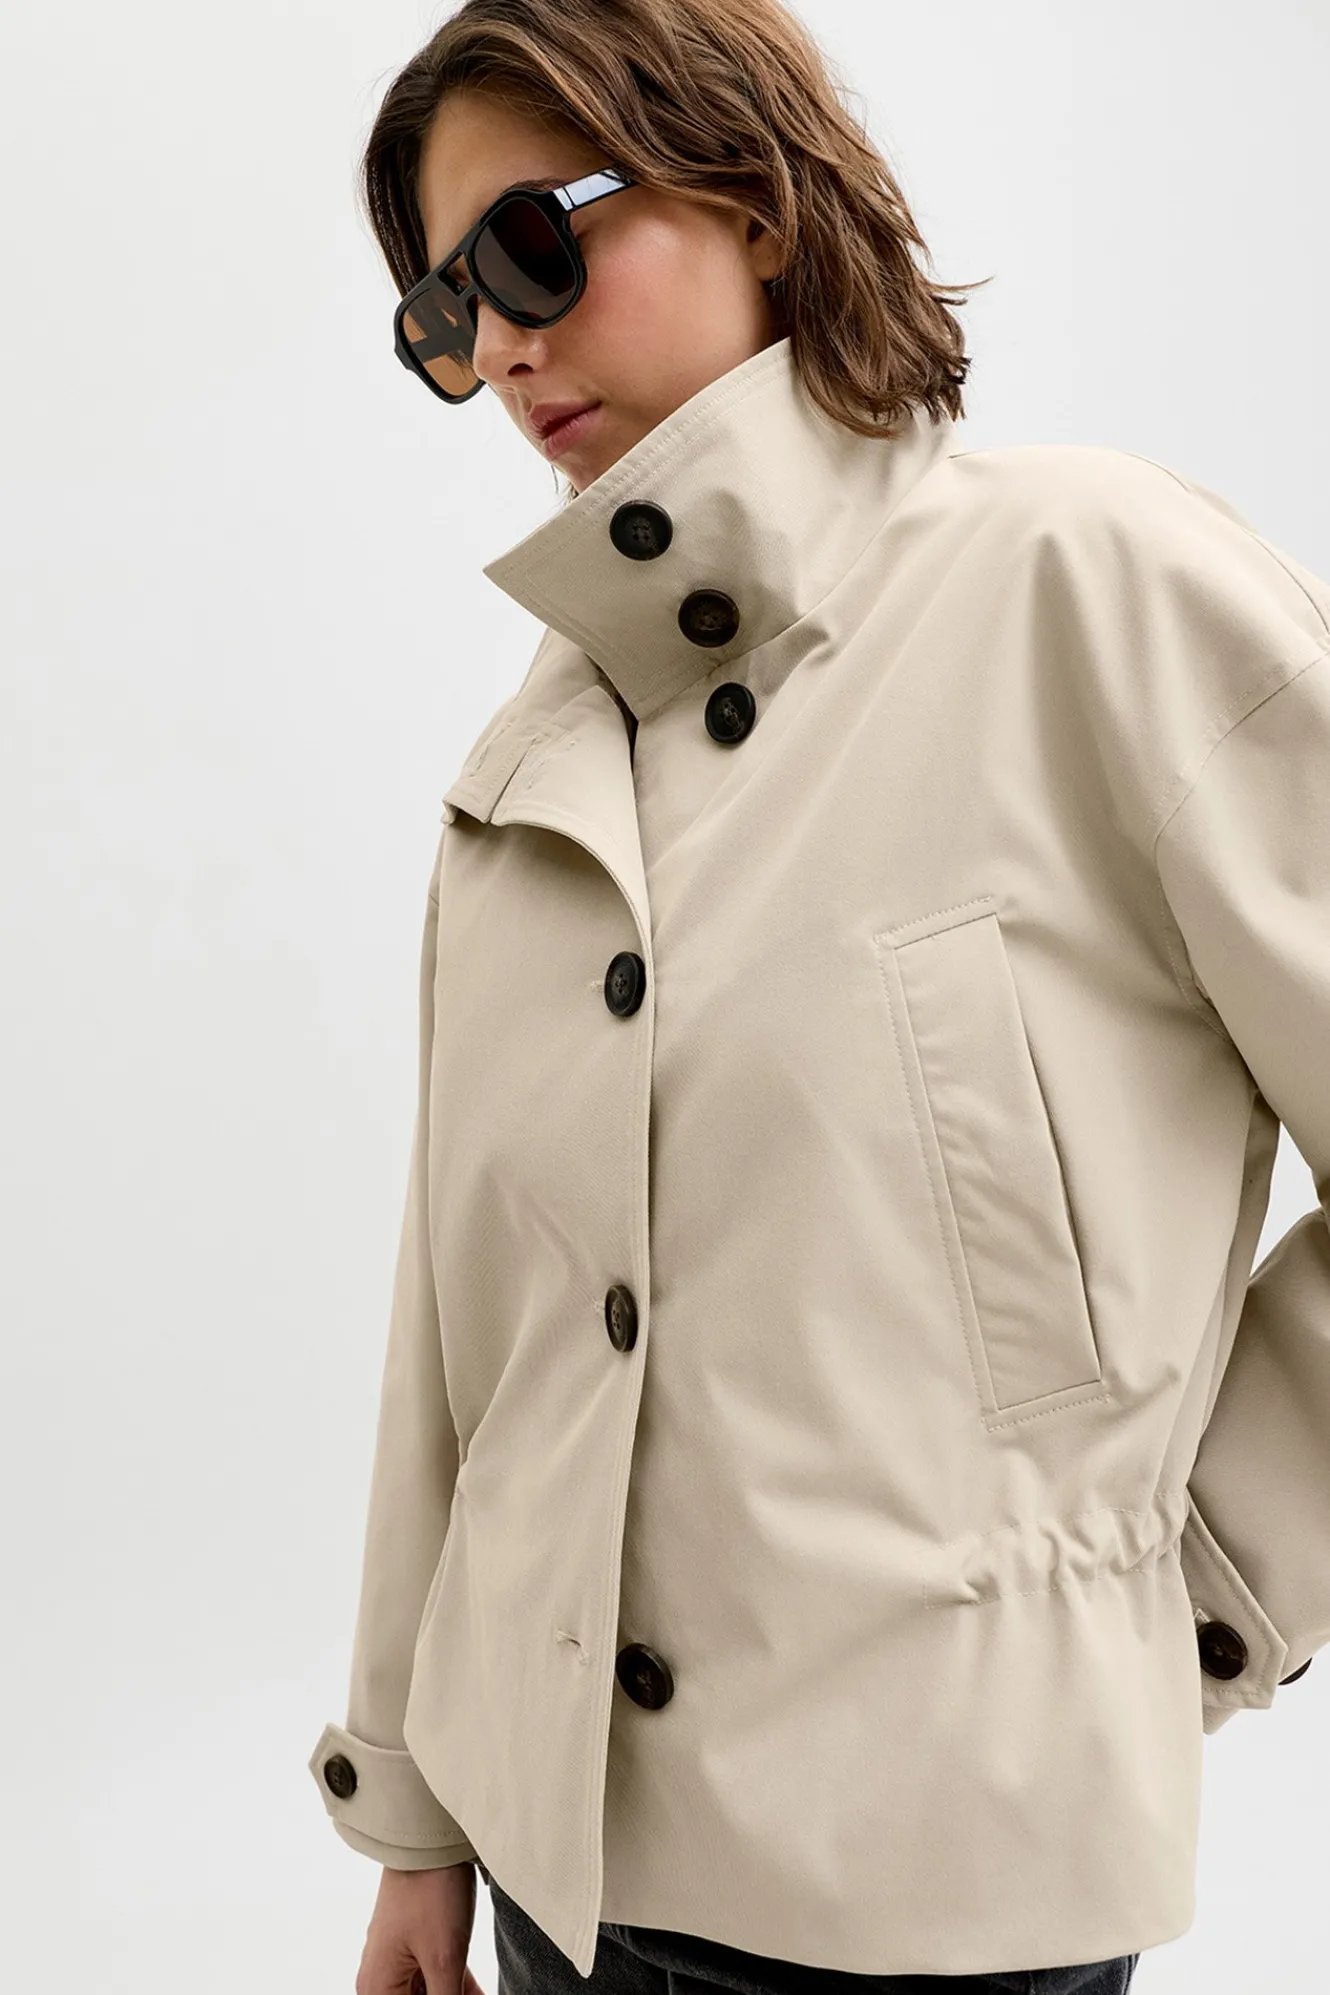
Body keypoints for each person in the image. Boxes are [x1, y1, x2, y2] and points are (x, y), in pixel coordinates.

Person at [307, 2, 1330, 1991]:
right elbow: (458, 1351)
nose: (497, 341)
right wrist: (417, 1821)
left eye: (527, 247)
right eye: (444, 311)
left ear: (755, 196)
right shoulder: (528, 780)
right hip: (556, 1879)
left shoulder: (1086, 584)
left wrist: (1193, 1581)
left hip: (945, 1873)